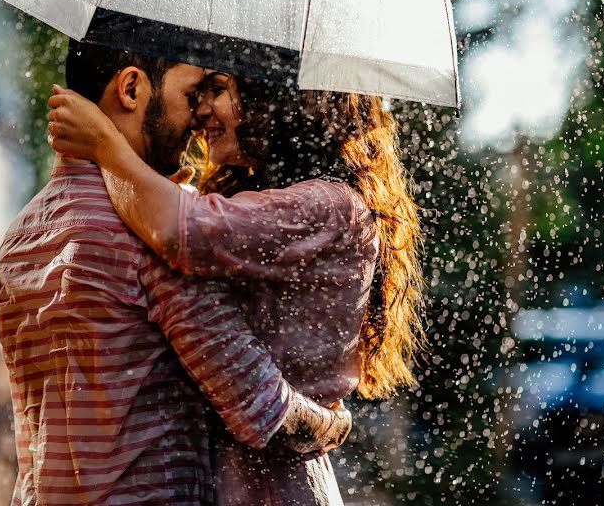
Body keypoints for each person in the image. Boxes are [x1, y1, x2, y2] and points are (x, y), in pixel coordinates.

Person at [0, 41, 352, 506]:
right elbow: (263, 412)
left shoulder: (20, 236)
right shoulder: (151, 242)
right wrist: (332, 425)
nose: (200, 120)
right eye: (191, 95)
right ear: (130, 89)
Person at [47, 69, 426, 505]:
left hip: (268, 486)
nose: (201, 109)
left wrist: (104, 144)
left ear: (279, 97)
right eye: (201, 92)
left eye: (220, 90)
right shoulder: (287, 201)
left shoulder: (329, 206)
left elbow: (179, 230)